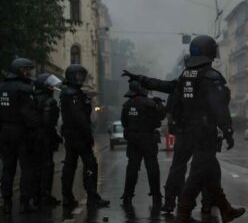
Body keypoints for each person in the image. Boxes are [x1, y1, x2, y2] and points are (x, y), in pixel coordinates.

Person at [170, 35, 245, 223]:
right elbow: (219, 107)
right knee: (197, 174)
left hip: (189, 131)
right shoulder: (210, 76)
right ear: (210, 52)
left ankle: (225, 209)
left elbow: (175, 104)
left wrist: (180, 125)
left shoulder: (187, 75)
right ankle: (183, 215)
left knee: (210, 172)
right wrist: (227, 130)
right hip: (205, 133)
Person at [123, 63, 213, 215]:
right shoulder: (205, 84)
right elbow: (161, 116)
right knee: (203, 168)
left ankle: (164, 200)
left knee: (174, 168)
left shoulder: (127, 104)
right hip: (193, 134)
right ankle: (199, 202)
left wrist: (139, 77)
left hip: (175, 133)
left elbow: (162, 92)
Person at [60, 64, 109, 209]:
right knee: (90, 164)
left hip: (71, 135)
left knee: (70, 165)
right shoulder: (73, 94)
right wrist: (88, 133)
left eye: (82, 76)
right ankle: (92, 197)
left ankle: (67, 197)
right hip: (79, 136)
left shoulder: (70, 93)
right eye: (78, 76)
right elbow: (79, 117)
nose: (80, 78)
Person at [0, 58, 39, 214]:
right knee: (26, 168)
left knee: (7, 169)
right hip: (22, 134)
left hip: (4, 134)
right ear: (19, 70)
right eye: (26, 69)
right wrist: (36, 128)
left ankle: (7, 203)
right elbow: (29, 114)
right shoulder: (24, 89)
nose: (28, 72)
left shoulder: (1, 88)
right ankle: (24, 202)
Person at [120, 80, 165, 208]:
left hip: (133, 139)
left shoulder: (127, 105)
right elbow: (159, 120)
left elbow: (124, 122)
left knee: (132, 168)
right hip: (148, 139)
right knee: (152, 167)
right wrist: (159, 104)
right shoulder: (150, 104)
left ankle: (127, 196)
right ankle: (156, 196)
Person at [32, 73, 62, 207]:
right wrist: (55, 136)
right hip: (45, 137)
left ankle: (35, 195)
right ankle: (45, 195)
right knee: (47, 166)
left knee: (35, 167)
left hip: (33, 137)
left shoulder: (32, 99)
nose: (52, 87)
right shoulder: (50, 101)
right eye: (50, 85)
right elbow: (48, 122)